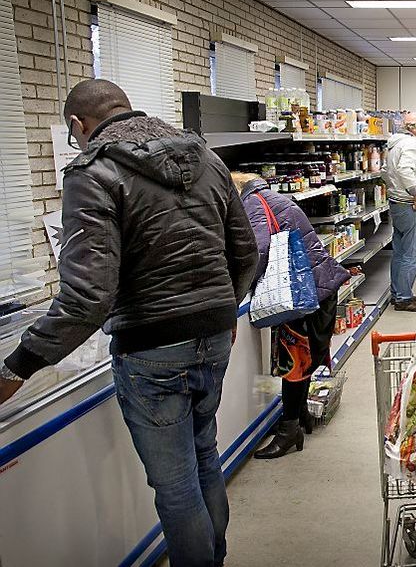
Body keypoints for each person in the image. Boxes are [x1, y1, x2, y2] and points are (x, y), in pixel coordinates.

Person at [0, 80, 258, 567]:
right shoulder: (205, 158)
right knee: (205, 456)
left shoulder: (93, 172)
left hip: (151, 347)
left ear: (78, 125)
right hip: (214, 335)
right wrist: (225, 309)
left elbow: (87, 297)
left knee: (176, 485)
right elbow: (245, 251)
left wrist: (17, 367)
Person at [233, 172, 350, 459]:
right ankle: (300, 418)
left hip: (302, 293)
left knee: (294, 363)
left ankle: (288, 432)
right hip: (317, 288)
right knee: (304, 359)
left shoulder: (253, 203)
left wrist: (238, 288)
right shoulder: (273, 198)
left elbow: (257, 250)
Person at [383, 112, 416, 312]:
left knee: (400, 251)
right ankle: (404, 297)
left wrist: (393, 188)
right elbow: (405, 170)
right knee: (413, 253)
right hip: (408, 203)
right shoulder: (410, 144)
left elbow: (385, 170)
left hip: (396, 201)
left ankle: (397, 292)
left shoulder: (393, 144)